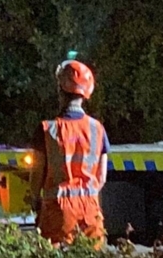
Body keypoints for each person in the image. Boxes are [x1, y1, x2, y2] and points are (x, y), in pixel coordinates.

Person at [26, 58, 109, 247]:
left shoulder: (48, 129)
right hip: (90, 212)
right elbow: (101, 177)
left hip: (58, 212)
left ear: (60, 91)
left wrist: (35, 199)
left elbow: (37, 176)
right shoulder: (97, 129)